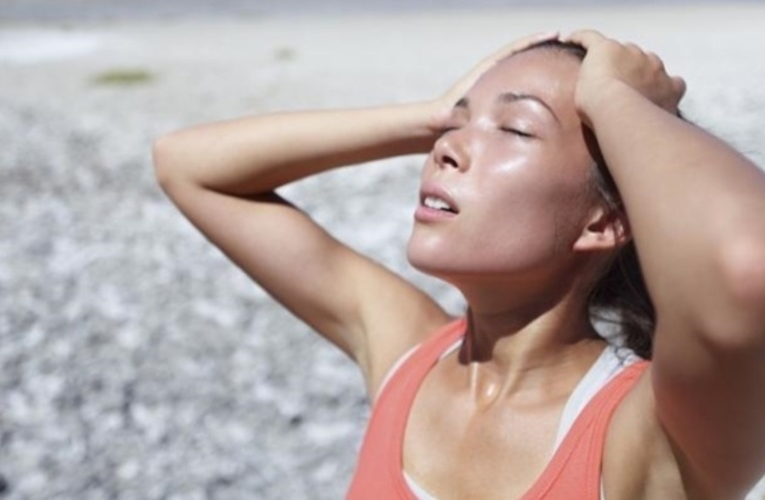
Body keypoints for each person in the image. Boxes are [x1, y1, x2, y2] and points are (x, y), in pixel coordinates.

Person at [153, 30, 765, 499]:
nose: (447, 148)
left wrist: (618, 99)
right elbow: (186, 166)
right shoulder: (408, 357)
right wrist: (429, 115)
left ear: (603, 223)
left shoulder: (650, 434)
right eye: (457, 124)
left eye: (516, 129)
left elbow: (746, 261)